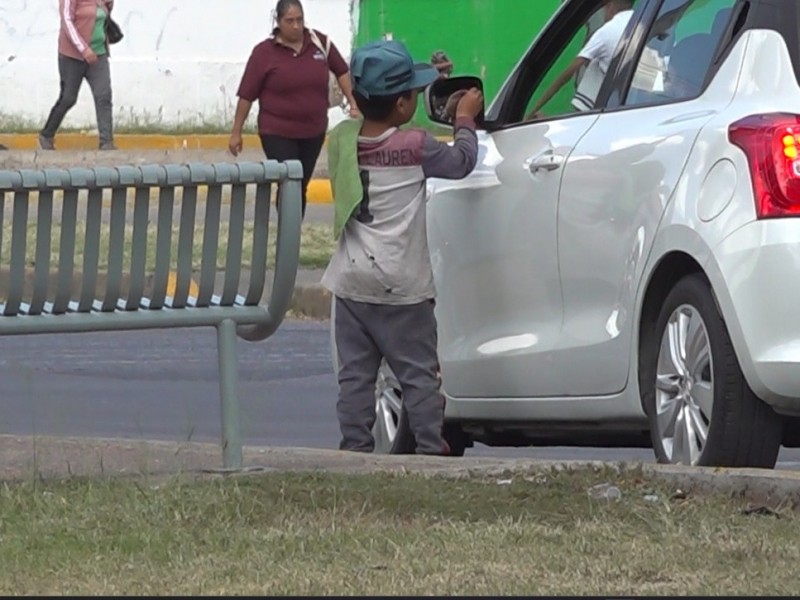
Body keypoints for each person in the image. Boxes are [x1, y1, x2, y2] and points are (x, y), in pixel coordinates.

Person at [321, 39, 483, 455]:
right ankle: (431, 449)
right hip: (402, 285)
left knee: (355, 378)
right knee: (418, 377)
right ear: (401, 104)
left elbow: (373, 125)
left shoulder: (340, 141)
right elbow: (462, 162)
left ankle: (354, 450)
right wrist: (463, 118)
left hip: (350, 280)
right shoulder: (416, 147)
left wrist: (435, 83)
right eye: (411, 91)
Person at [228, 0, 359, 218]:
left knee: (301, 184)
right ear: (278, 22)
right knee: (290, 181)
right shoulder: (264, 53)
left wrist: (353, 103)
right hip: (277, 131)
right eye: (290, 21)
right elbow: (246, 94)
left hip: (313, 130)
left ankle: (292, 235)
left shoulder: (319, 43)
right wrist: (236, 131)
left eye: (299, 20)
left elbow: (342, 71)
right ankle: (286, 237)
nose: (296, 26)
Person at [526, 0, 634, 119]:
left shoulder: (606, 31)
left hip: (599, 110)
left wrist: (531, 112)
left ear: (610, 6)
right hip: (629, 100)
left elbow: (567, 75)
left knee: (594, 62)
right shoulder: (641, 25)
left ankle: (569, 116)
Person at [39, 0, 117, 151]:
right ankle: (47, 134)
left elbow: (104, 14)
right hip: (72, 56)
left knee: (104, 95)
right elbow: (67, 21)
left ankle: (106, 142)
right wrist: (84, 49)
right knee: (68, 98)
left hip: (98, 53)